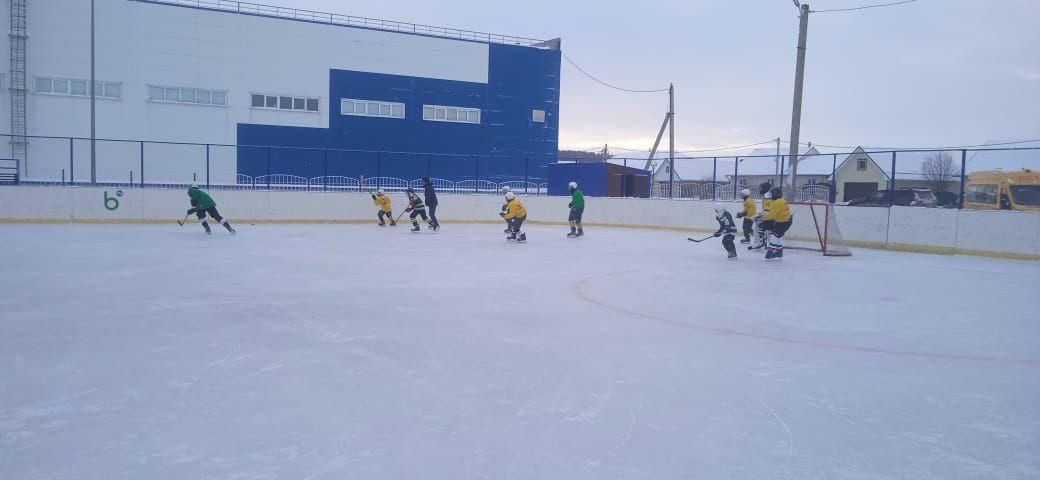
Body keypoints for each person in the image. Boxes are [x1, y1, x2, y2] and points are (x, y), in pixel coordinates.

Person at [761, 186, 793, 259]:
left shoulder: (777, 202)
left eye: (772, 194)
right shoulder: (781, 200)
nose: (771, 195)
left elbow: (772, 215)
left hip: (784, 221)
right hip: (784, 221)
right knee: (779, 236)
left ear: (776, 194)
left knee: (774, 236)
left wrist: (762, 218)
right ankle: (779, 252)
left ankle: (770, 251)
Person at [749, 181, 773, 250]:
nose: (760, 190)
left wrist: (758, 216)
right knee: (765, 229)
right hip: (770, 216)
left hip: (770, 217)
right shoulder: (767, 195)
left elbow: (767, 210)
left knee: (757, 226)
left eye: (761, 188)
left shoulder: (767, 196)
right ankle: (766, 243)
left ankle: (759, 243)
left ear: (765, 188)